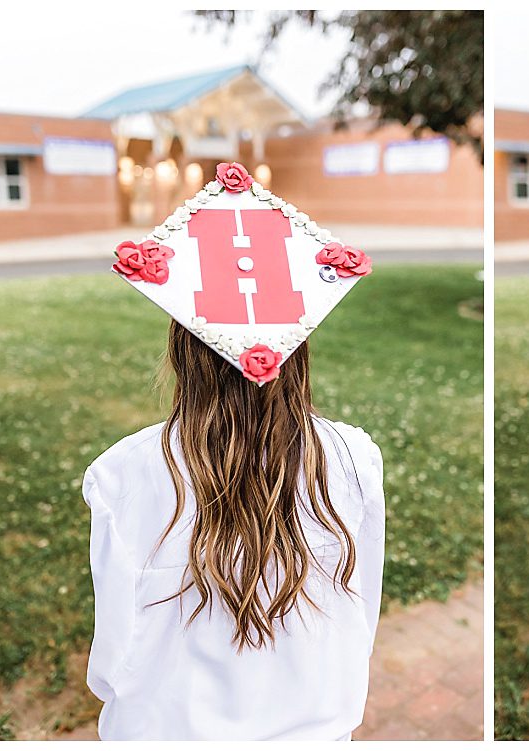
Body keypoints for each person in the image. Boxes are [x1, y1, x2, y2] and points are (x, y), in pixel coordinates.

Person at [84, 162, 384, 740]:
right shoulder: (351, 458)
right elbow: (359, 607)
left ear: (182, 351)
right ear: (297, 349)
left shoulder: (124, 473)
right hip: (313, 724)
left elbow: (115, 654)